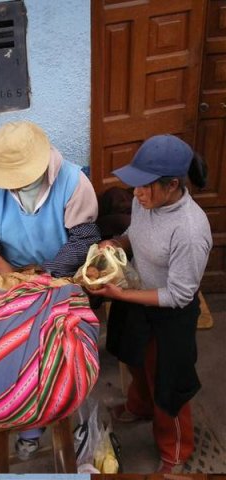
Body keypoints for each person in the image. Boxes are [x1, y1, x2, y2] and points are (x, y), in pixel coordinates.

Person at [0, 120, 101, 459]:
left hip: (56, 273)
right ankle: (22, 420)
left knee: (47, 348)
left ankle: (53, 407)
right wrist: (4, 271)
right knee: (9, 349)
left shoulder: (73, 182)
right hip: (5, 270)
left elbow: (83, 237)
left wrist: (47, 278)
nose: (16, 184)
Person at [88, 134, 212, 473]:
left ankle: (175, 448)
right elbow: (136, 236)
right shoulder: (146, 203)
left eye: (145, 187)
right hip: (138, 294)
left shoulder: (189, 230)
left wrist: (121, 295)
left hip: (170, 314)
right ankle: (139, 406)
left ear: (173, 185)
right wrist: (114, 243)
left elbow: (179, 294)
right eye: (136, 186)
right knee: (136, 359)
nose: (137, 194)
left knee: (168, 383)